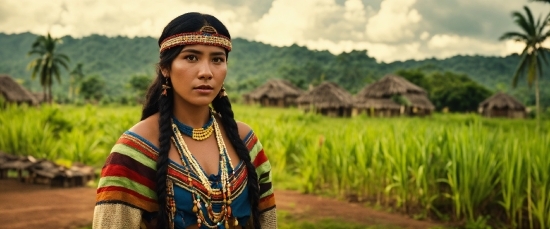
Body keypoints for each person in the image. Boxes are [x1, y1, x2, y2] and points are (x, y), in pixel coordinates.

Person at [92, 12, 277, 229]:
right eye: (191, 57)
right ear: (165, 68)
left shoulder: (247, 142)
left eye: (217, 59)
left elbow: (267, 221)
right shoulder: (134, 152)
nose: (206, 72)